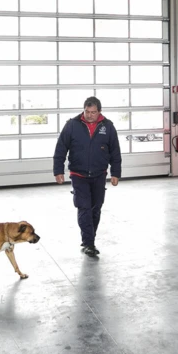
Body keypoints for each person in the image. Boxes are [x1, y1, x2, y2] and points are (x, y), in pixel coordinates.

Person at [52, 97, 121, 257]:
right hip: (78, 174)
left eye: (93, 112)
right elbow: (61, 148)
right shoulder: (72, 125)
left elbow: (115, 151)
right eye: (87, 112)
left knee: (95, 208)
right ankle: (89, 243)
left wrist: (116, 173)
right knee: (84, 207)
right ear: (83, 110)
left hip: (99, 174)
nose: (90, 115)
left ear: (99, 112)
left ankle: (90, 238)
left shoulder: (108, 126)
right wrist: (58, 171)